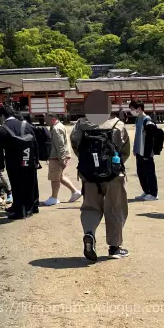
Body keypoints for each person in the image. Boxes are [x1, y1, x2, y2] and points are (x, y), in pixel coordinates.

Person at [71, 90, 131, 261]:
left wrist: (90, 165)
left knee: (90, 207)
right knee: (115, 209)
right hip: (113, 175)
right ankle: (114, 247)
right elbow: (124, 151)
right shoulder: (117, 125)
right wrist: (114, 165)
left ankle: (89, 233)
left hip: (88, 176)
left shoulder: (80, 125)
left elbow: (77, 148)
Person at [0, 105, 39, 220]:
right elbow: (35, 144)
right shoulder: (26, 125)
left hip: (13, 162)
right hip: (28, 159)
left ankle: (20, 212)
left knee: (17, 186)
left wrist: (1, 165)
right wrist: (36, 161)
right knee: (29, 185)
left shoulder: (1, 129)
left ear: (2, 115)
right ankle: (30, 209)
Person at [43, 114, 82, 206]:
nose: (45, 121)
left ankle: (54, 197)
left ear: (52, 119)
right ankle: (75, 192)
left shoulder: (56, 129)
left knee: (55, 178)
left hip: (57, 157)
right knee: (59, 176)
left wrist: (61, 159)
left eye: (46, 119)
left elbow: (60, 145)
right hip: (58, 156)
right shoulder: (59, 126)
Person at [130, 100, 160, 201]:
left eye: (132, 109)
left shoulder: (147, 120)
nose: (131, 111)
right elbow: (137, 135)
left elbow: (150, 139)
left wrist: (147, 153)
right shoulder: (138, 119)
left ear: (139, 109)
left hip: (146, 152)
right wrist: (135, 149)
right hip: (139, 151)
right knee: (141, 172)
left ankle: (153, 193)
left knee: (150, 172)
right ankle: (147, 191)